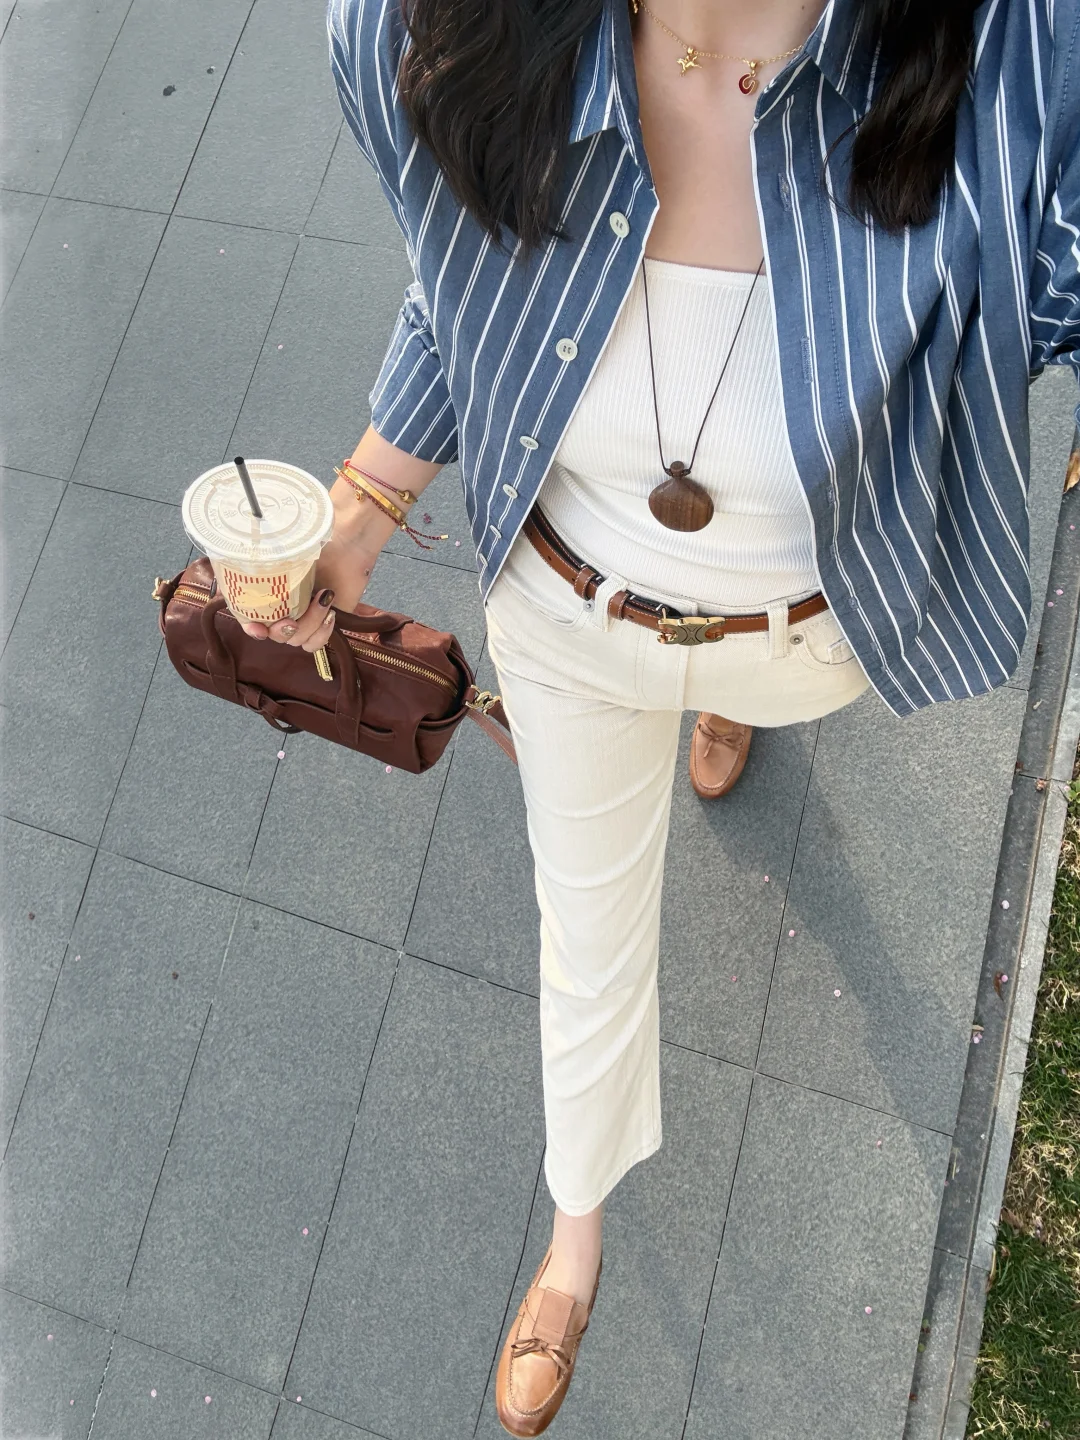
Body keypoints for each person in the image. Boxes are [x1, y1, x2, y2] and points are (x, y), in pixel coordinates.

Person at [241, 0, 1080, 1429]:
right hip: (566, 618)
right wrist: (364, 507)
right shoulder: (423, 32)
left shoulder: (1017, 56)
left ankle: (726, 711)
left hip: (808, 633)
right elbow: (466, 291)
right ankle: (575, 1238)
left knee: (746, 699)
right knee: (585, 936)